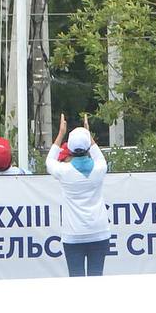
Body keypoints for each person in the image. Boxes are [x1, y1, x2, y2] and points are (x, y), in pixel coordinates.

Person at [45, 115, 110, 277]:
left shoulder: (64, 171)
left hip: (73, 235)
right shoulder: (99, 168)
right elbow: (97, 155)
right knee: (96, 280)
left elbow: (49, 161)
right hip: (99, 231)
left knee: (76, 283)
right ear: (88, 146)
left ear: (70, 150)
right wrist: (88, 134)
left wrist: (61, 134)